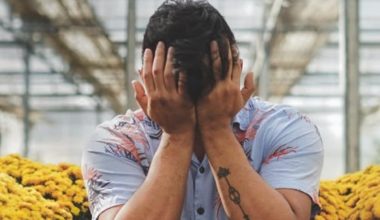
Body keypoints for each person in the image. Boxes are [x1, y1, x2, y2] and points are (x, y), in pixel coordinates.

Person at [81, 0, 324, 219]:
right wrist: (176, 135)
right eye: (179, 88)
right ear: (149, 78)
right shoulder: (115, 142)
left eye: (207, 86)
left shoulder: (287, 128)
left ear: (236, 71)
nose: (196, 104)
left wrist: (216, 129)